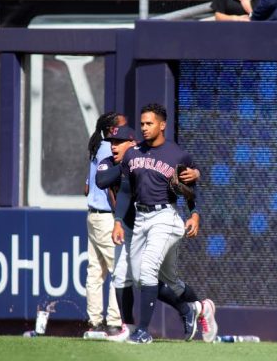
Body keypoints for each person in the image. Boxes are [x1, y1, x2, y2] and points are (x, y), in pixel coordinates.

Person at [96, 125, 218, 343]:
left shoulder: (146, 159)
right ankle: (131, 327)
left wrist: (195, 204)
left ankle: (195, 309)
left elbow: (183, 182)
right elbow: (101, 181)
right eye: (111, 143)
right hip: (129, 227)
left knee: (163, 279)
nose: (113, 147)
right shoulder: (114, 162)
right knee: (124, 277)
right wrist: (130, 161)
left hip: (157, 224)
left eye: (119, 142)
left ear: (132, 143)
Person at [84, 111, 126, 338]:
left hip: (92, 215)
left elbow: (86, 188)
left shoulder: (95, 148)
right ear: (112, 130)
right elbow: (109, 188)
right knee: (117, 268)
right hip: (106, 217)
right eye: (122, 127)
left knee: (95, 271)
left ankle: (94, 320)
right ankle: (113, 321)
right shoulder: (109, 149)